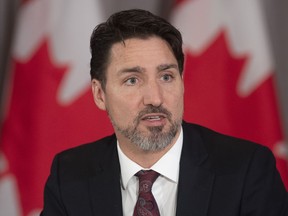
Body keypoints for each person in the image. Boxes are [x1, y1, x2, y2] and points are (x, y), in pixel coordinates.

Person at [41, 9, 288, 216]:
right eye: (132, 80)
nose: (155, 98)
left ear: (182, 81)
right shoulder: (69, 176)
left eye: (166, 76)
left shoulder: (247, 170)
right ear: (99, 94)